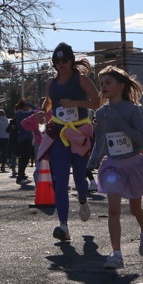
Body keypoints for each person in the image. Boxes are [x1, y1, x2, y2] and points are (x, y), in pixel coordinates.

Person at [89, 66, 143, 270]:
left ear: (121, 86)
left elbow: (141, 139)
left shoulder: (131, 109)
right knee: (113, 210)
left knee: (135, 209)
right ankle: (116, 255)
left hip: (133, 164)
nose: (103, 87)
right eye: (102, 84)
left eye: (108, 82)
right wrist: (93, 161)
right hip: (112, 166)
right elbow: (100, 140)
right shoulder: (100, 112)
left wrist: (121, 123)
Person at [40, 43, 99, 242]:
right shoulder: (51, 82)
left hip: (79, 132)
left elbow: (97, 101)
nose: (60, 63)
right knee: (61, 179)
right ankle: (63, 225)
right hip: (59, 133)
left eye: (64, 59)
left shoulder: (81, 79)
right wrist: (44, 110)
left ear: (71, 60)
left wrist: (76, 103)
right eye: (56, 60)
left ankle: (83, 199)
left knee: (80, 177)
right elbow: (49, 102)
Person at [13, 99, 37, 185]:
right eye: (26, 106)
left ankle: (22, 176)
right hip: (25, 138)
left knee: (24, 158)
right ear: (24, 106)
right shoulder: (21, 114)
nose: (28, 108)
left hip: (24, 138)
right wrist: (30, 104)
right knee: (24, 159)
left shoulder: (19, 114)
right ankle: (20, 177)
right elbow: (37, 111)